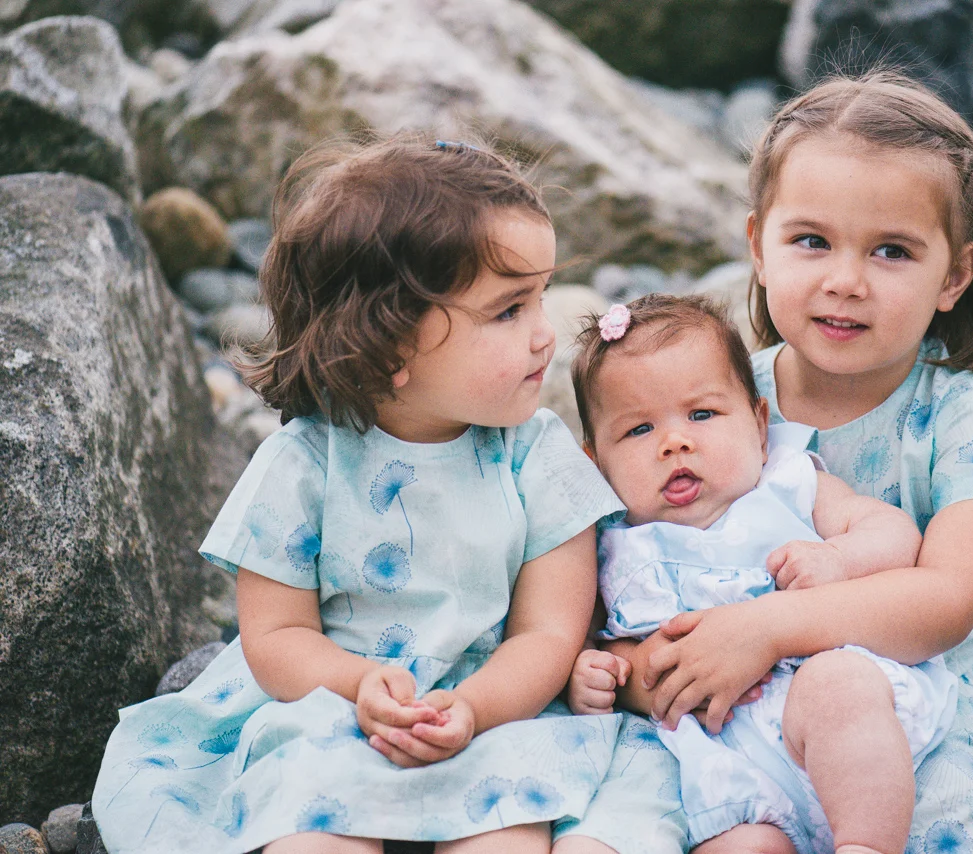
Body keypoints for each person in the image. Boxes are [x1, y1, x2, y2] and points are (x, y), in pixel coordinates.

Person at [91, 134, 670, 854]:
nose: (544, 336)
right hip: (333, 705)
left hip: (499, 706)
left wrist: (473, 708)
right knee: (310, 832)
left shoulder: (537, 457)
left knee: (507, 836)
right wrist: (359, 685)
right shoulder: (305, 462)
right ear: (391, 346)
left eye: (540, 298)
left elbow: (548, 632)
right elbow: (275, 636)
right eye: (507, 311)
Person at [584, 70, 973, 854]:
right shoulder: (715, 400)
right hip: (729, 711)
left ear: (955, 275)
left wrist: (768, 628)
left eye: (891, 251)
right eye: (810, 241)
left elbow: (945, 600)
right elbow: (631, 550)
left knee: (936, 827)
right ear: (757, 246)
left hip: (904, 699)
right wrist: (634, 667)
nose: (843, 281)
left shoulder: (963, 419)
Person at [566, 294, 960, 854]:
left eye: (702, 414)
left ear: (757, 422)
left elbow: (897, 535)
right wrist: (597, 674)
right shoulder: (609, 542)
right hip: (723, 763)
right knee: (741, 844)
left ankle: (866, 845)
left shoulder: (788, 481)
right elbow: (597, 641)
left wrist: (840, 558)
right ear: (595, 462)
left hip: (820, 705)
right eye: (638, 431)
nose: (675, 442)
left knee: (840, 689)